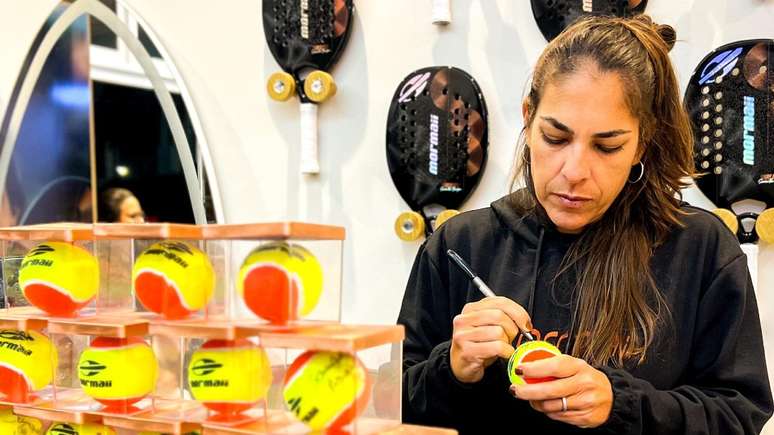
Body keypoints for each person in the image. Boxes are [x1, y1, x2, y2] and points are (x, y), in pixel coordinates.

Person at [398, 14, 773, 434]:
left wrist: (621, 404)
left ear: (641, 143)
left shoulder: (699, 248)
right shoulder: (461, 244)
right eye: (555, 138)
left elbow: (739, 416)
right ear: (528, 118)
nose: (574, 171)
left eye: (607, 146)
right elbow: (393, 405)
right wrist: (451, 369)